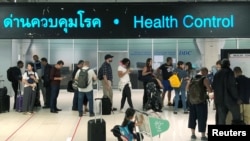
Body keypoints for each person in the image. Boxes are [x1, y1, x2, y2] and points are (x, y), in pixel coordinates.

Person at [212, 59, 242, 125]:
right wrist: (237, 98)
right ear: (228, 65)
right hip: (230, 100)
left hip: (220, 100)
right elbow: (232, 87)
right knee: (237, 118)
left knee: (221, 120)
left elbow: (213, 86)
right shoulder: (230, 72)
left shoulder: (217, 73)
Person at [187, 67, 212, 141]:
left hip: (192, 101)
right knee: (202, 118)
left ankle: (193, 134)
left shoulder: (192, 78)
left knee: (192, 117)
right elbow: (209, 90)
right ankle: (203, 136)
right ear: (206, 72)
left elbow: (187, 88)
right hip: (201, 102)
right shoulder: (204, 79)